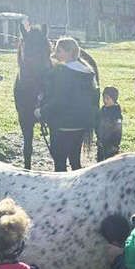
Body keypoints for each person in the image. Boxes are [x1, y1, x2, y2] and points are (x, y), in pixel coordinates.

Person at [38, 37, 100, 172]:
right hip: (81, 125)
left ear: (69, 52)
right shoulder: (88, 72)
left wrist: (41, 111)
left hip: (62, 125)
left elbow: (59, 100)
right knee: (75, 161)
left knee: (59, 163)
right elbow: (94, 98)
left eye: (59, 51)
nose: (56, 55)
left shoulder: (62, 72)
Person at [96, 85, 123, 161]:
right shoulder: (102, 110)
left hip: (111, 146)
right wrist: (99, 138)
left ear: (114, 99)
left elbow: (118, 131)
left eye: (108, 98)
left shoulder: (116, 113)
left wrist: (115, 145)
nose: (105, 100)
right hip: (101, 143)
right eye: (104, 98)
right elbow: (98, 125)